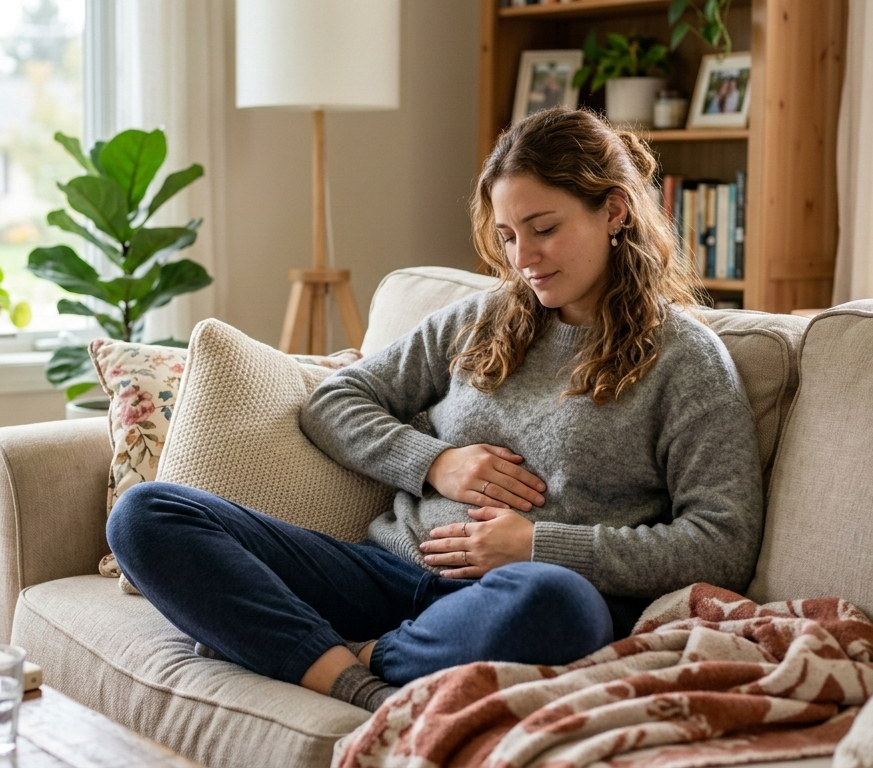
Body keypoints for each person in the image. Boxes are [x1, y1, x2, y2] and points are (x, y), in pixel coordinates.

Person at [107, 106, 763, 713]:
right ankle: (348, 668)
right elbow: (335, 401)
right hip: (385, 574)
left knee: (562, 605)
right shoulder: (480, 320)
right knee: (146, 515)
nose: (523, 259)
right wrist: (435, 463)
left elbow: (723, 542)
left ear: (614, 210)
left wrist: (538, 546)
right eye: (507, 235)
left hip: (513, 602)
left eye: (544, 229)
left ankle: (348, 659)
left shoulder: (686, 360)